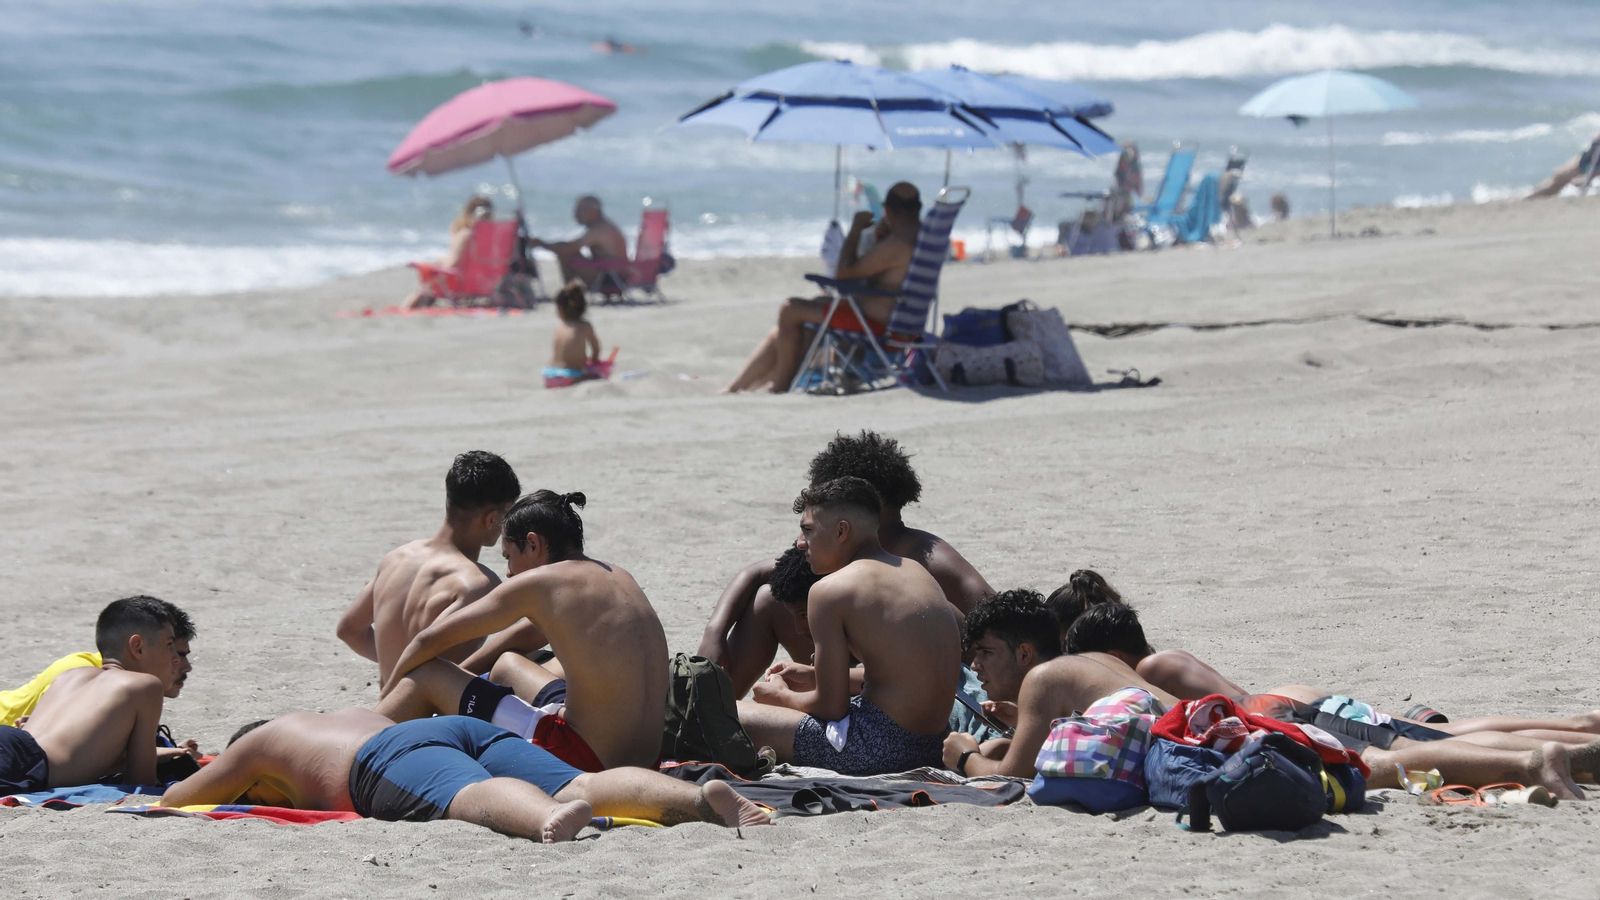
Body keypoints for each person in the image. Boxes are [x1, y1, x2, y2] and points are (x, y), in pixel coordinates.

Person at [1017, 600, 1592, 797]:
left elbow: (1185, 720)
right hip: (1291, 701)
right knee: (1431, 734)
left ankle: (1560, 742)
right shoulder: (1163, 656)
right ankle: (1575, 729)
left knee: (1419, 743)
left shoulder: (1149, 668)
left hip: (1280, 711)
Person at [382, 490, 669, 772]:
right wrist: (461, 677)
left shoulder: (540, 582)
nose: (508, 572)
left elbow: (428, 640)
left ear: (533, 544)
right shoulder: (616, 575)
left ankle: (364, 741)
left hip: (583, 757)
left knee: (427, 674)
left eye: (508, 556)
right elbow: (526, 636)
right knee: (507, 664)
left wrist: (391, 695)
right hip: (647, 760)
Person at [162, 710, 768, 843]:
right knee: (583, 783)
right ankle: (701, 799)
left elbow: (177, 799)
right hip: (446, 726)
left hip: (383, 759)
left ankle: (542, 821)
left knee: (466, 793)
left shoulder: (260, 744)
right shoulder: (331, 716)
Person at [699, 431, 991, 697]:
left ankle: (712, 717)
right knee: (769, 599)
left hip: (900, 686)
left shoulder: (926, 558)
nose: (803, 540)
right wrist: (715, 633)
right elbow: (760, 571)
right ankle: (709, 708)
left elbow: (1002, 624)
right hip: (848, 667)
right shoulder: (842, 548)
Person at [736, 477, 961, 775]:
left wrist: (780, 697)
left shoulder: (830, 591)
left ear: (842, 531)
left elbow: (832, 708)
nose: (801, 543)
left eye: (808, 530)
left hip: (876, 750)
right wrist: (813, 674)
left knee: (726, 712)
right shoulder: (915, 571)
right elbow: (902, 673)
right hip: (935, 746)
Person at [337, 451, 541, 683]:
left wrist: (390, 662)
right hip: (425, 713)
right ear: (491, 519)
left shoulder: (396, 558)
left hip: (387, 704)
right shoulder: (478, 584)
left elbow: (348, 629)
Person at [722, 182, 924, 393]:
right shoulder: (921, 238)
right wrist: (879, 240)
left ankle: (779, 386)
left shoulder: (898, 244)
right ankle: (744, 385)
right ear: (918, 208)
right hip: (897, 319)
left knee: (789, 309)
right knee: (812, 310)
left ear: (887, 209)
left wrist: (856, 230)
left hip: (874, 322)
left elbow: (844, 273)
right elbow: (887, 276)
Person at [2, 597, 181, 793]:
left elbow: (74, 752)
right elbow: (140, 782)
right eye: (169, 645)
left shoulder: (70, 675)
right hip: (22, 766)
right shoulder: (146, 685)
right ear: (137, 646)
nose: (176, 659)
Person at [406, 196, 494, 309]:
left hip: (459, 283)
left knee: (421, 291)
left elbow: (453, 264)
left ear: (468, 212)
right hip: (483, 282)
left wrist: (433, 268)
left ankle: (405, 310)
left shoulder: (466, 234)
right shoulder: (493, 236)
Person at [530, 196, 628, 288]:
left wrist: (542, 244)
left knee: (566, 254)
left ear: (592, 211)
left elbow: (570, 248)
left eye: (580, 210)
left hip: (612, 278)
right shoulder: (604, 226)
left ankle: (569, 291)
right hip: (613, 274)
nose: (576, 215)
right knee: (569, 253)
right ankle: (570, 290)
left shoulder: (599, 230)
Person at [544, 279, 603, 389]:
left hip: (549, 375)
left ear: (560, 309)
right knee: (596, 377)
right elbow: (596, 350)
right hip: (569, 377)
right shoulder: (585, 326)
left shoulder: (560, 327)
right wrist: (592, 360)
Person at [1524, 133, 1600, 200]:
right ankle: (1530, 197)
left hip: (1593, 159)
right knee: (1559, 179)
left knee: (1561, 179)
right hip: (1593, 155)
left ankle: (1532, 197)